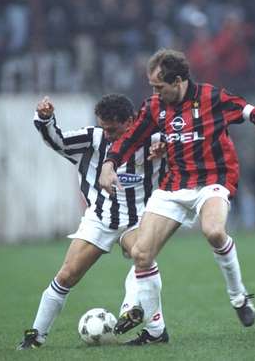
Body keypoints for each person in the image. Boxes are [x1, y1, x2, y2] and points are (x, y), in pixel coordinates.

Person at [99, 49, 255, 342]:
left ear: (179, 80)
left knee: (213, 231)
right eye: (152, 87)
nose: (155, 92)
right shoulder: (154, 107)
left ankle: (238, 298)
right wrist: (109, 164)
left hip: (213, 179)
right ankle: (155, 331)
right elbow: (130, 138)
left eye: (159, 86)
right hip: (175, 184)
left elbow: (249, 112)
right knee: (141, 254)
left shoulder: (212, 97)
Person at [17, 94, 170, 349]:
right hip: (99, 219)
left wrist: (164, 150)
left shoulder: (153, 142)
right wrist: (45, 119)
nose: (107, 134)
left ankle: (142, 320)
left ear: (130, 122)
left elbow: (184, 153)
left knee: (142, 258)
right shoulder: (92, 138)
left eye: (113, 129)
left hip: (137, 220)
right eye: (104, 127)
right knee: (66, 275)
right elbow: (59, 142)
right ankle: (36, 335)